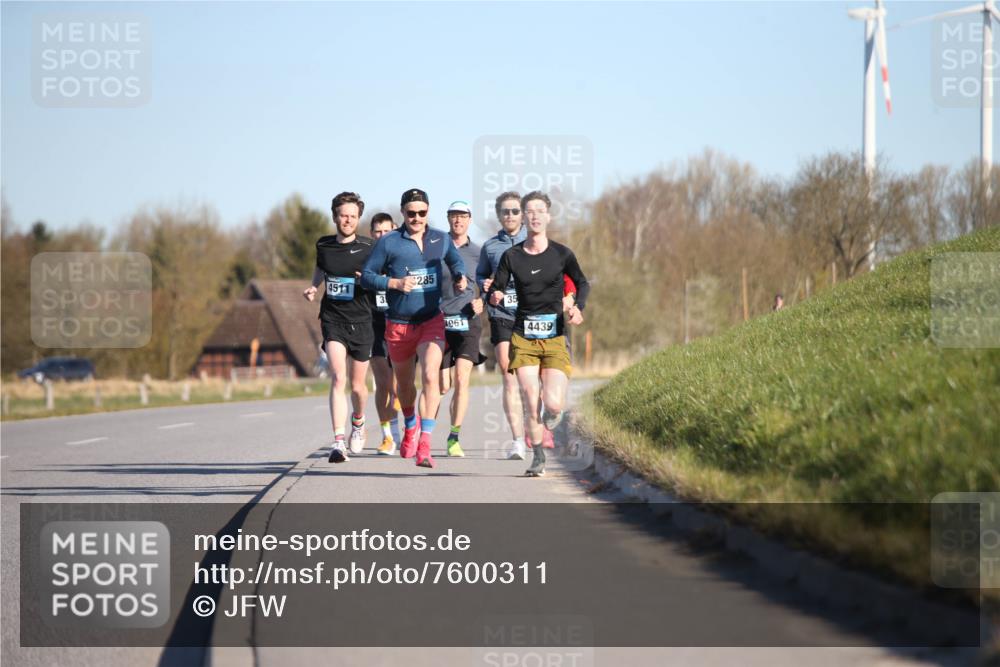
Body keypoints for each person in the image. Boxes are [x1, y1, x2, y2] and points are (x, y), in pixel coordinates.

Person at [361, 188, 467, 469]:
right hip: (398, 324)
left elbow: (455, 260)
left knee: (431, 376)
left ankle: (425, 443)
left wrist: (459, 276)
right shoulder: (390, 243)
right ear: (403, 213)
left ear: (428, 212)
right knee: (405, 386)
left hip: (431, 320)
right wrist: (394, 284)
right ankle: (410, 423)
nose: (417, 218)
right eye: (411, 213)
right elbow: (368, 277)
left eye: (422, 212)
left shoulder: (439, 238)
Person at [489, 191, 589, 477]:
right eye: (528, 211)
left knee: (553, 403)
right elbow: (497, 286)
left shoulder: (562, 253)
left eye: (539, 211)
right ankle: (538, 457)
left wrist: (577, 307)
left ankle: (552, 416)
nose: (534, 216)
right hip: (524, 335)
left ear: (548, 216)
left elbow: (582, 283)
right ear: (523, 217)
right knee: (531, 397)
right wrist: (494, 296)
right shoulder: (512, 255)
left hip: (556, 335)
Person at [303, 192, 375, 464]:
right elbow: (321, 269)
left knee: (357, 386)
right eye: (343, 215)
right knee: (338, 377)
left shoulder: (369, 248)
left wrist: (366, 279)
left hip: (362, 320)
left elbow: (380, 277)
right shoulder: (323, 245)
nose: (347, 220)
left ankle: (358, 422)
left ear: (358, 219)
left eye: (353, 216)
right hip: (333, 318)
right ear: (335, 216)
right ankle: (338, 441)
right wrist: (314, 286)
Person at [476, 192, 529, 460]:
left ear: (523, 214)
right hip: (501, 314)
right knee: (508, 375)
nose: (510, 215)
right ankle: (517, 440)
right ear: (499, 215)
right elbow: (481, 275)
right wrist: (486, 289)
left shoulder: (534, 242)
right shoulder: (490, 247)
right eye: (505, 211)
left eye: (515, 211)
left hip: (531, 316)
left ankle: (536, 424)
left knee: (531, 378)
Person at [436, 201, 486, 458]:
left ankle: (454, 437)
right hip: (440, 321)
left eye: (463, 216)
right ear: (448, 219)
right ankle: (424, 432)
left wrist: (483, 301)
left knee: (461, 380)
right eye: (454, 216)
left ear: (469, 220)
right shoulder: (437, 248)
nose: (458, 221)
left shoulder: (479, 253)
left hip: (468, 321)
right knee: (441, 385)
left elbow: (489, 285)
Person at [368, 213, 402, 455]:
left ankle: (403, 429)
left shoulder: (401, 256)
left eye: (386, 231)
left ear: (394, 230)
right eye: (377, 232)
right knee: (383, 383)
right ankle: (387, 436)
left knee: (400, 385)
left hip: (400, 322)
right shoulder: (367, 259)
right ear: (372, 234)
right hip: (374, 325)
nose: (381, 236)